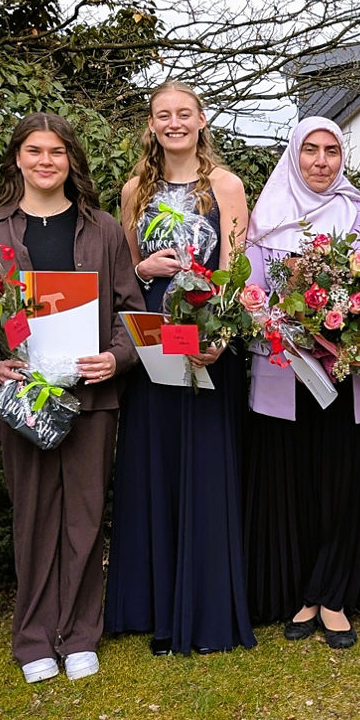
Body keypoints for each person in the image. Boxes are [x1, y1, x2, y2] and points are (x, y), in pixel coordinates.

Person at [0, 113, 143, 682]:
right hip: (24, 398)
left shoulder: (103, 228)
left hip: (92, 397)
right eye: (34, 151)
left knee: (84, 517)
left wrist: (116, 357)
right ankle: (34, 638)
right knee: (33, 517)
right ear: (17, 158)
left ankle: (81, 633)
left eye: (57, 152)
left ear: (71, 161)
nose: (45, 161)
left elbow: (133, 311)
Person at [243, 117, 360, 649]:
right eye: (311, 150)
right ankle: (304, 593)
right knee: (296, 482)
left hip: (351, 371)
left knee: (346, 478)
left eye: (332, 151)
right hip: (289, 368)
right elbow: (251, 297)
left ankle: (334, 594)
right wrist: (291, 325)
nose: (321, 161)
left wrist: (352, 321)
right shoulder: (267, 217)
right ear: (295, 155)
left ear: (343, 158)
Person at [104, 80, 256, 655]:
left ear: (200, 121)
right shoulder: (134, 190)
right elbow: (126, 276)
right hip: (153, 346)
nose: (174, 123)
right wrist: (144, 268)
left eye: (184, 113)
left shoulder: (225, 186)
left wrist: (215, 336)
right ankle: (156, 605)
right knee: (158, 467)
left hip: (208, 342)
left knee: (206, 467)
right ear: (150, 124)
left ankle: (207, 605)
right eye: (163, 115)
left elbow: (235, 271)